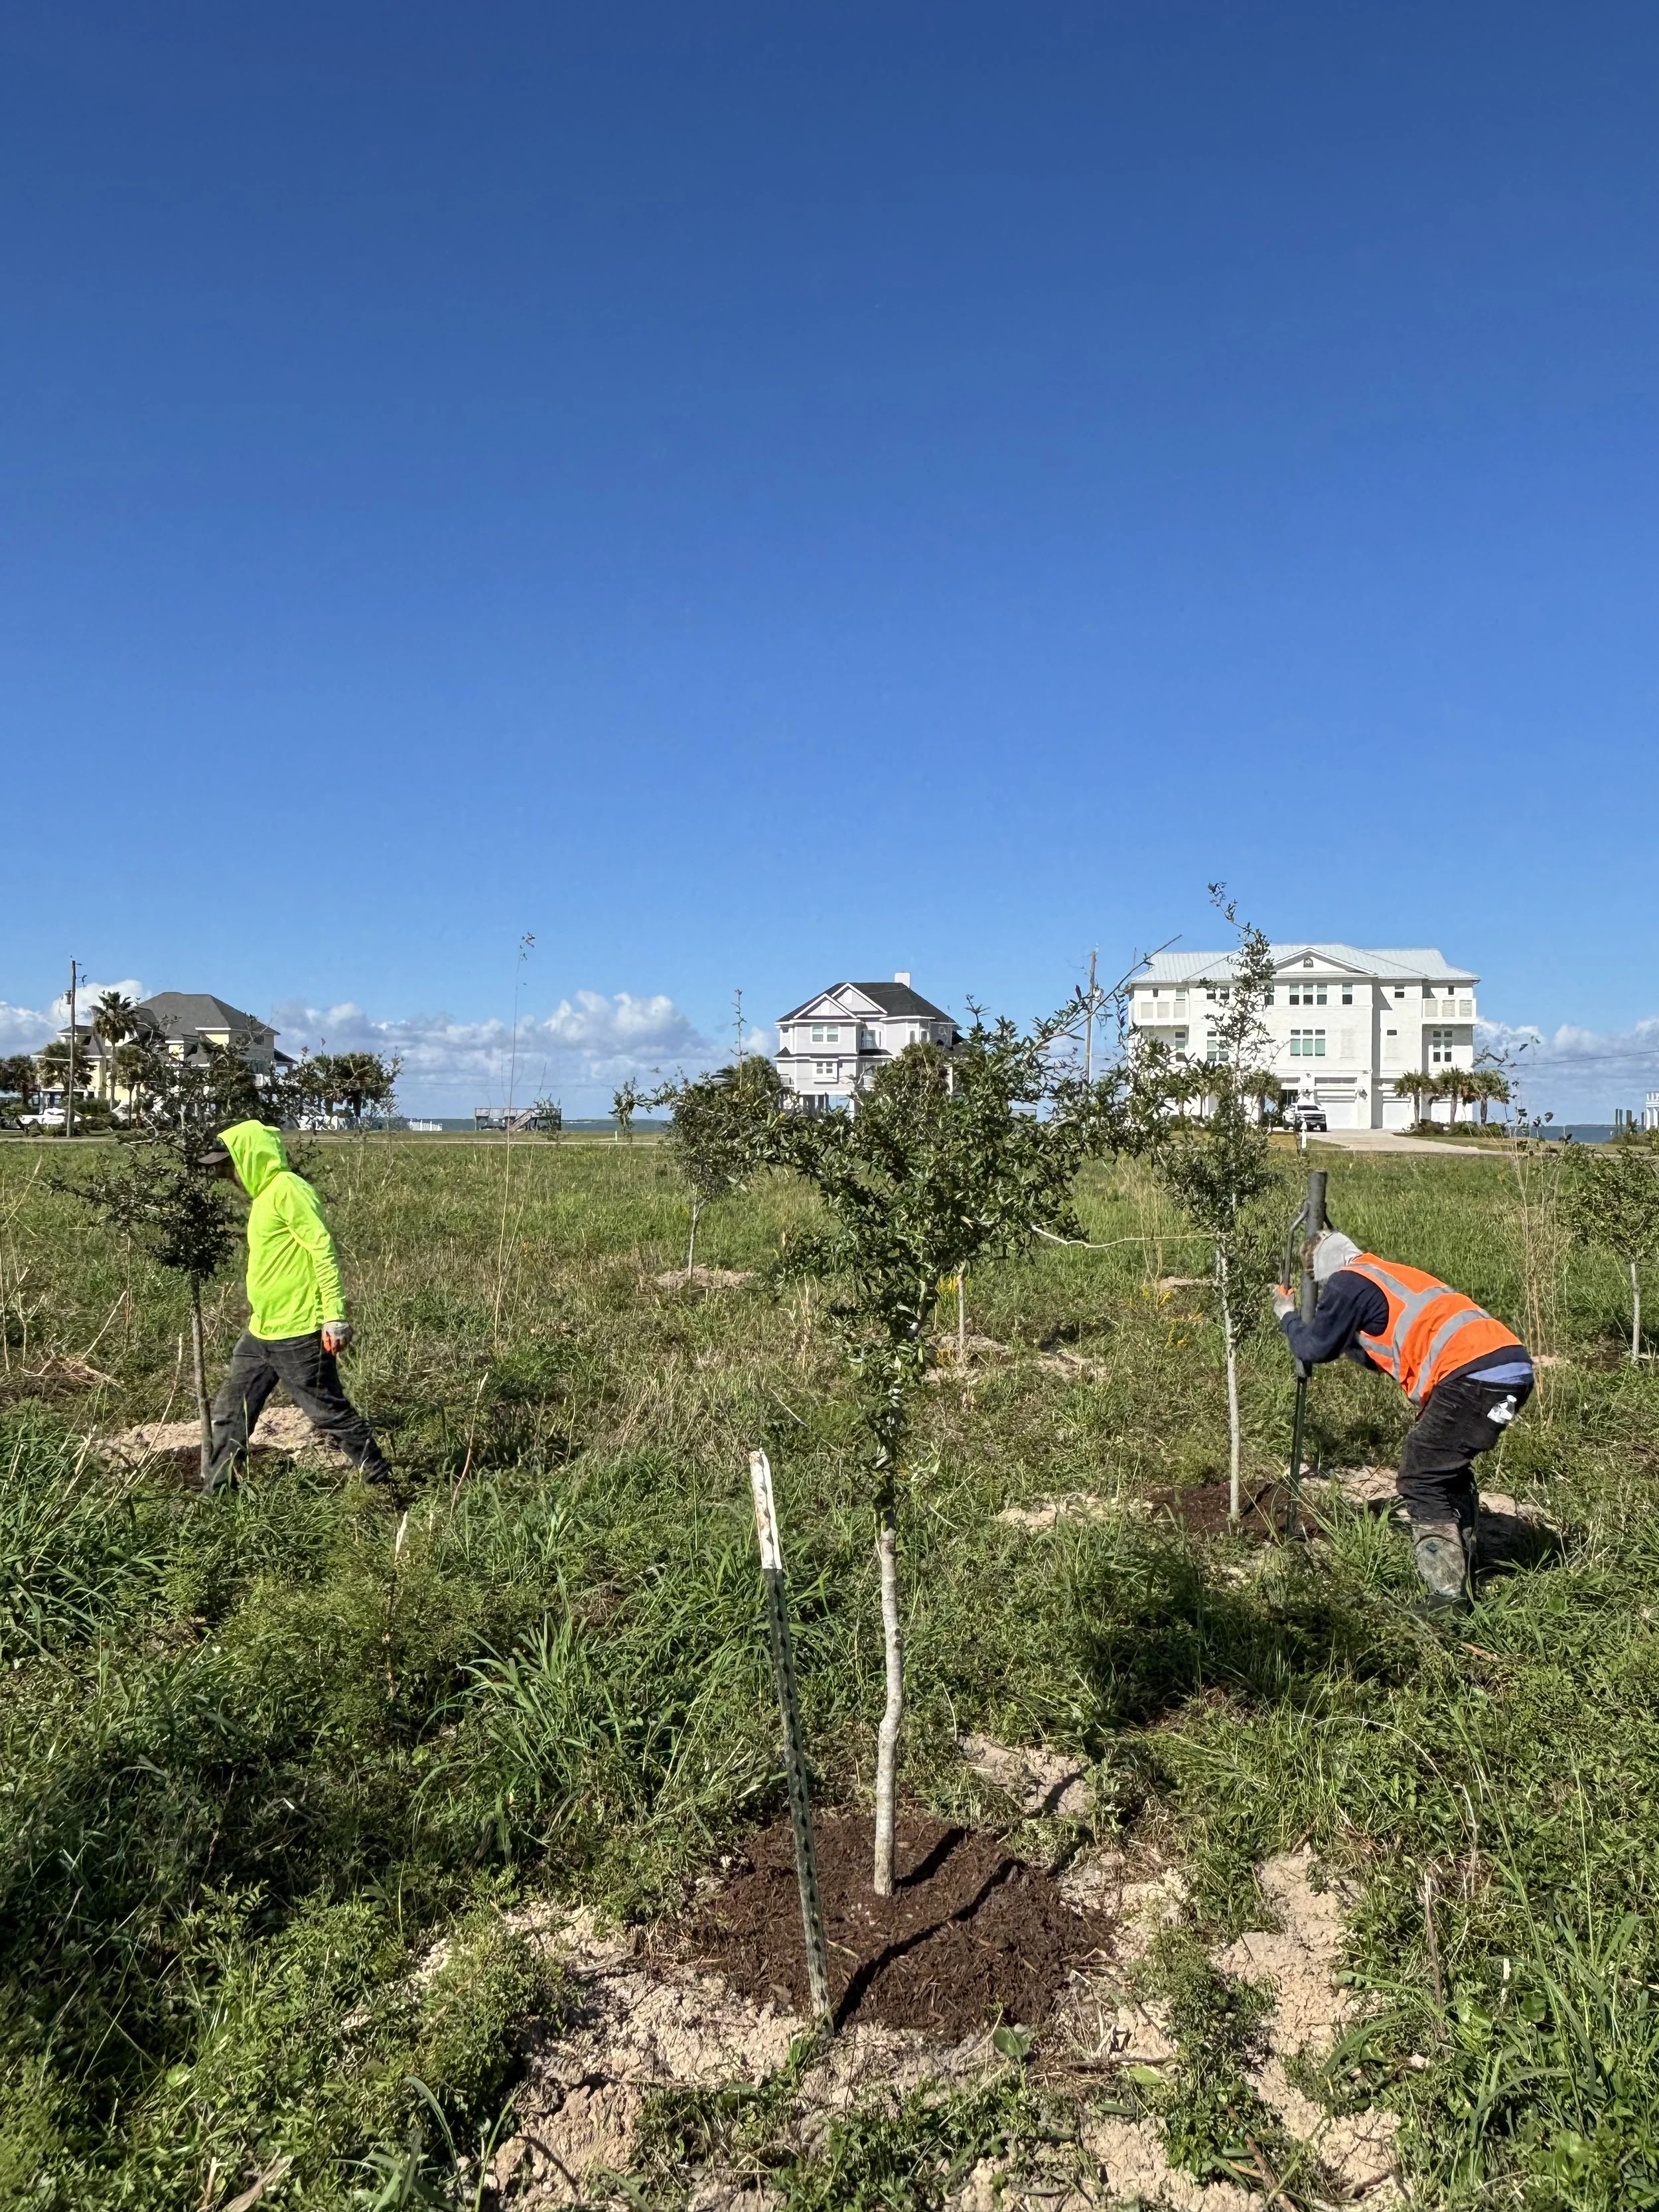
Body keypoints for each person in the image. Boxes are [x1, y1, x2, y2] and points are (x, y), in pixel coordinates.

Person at [1272, 1231, 1533, 1611]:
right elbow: (1373, 1353)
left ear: (1322, 1270)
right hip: (1508, 1369)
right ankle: (1464, 1563)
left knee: (1421, 1476)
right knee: (1445, 1468)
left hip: (1472, 1376)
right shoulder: (1384, 1274)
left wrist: (1287, 1316)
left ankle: (1446, 1600)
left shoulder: (1347, 1282)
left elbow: (1314, 1348)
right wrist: (1345, 1337)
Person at [199, 1119, 393, 1493]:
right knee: (230, 1412)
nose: (229, 1175)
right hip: (262, 1330)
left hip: (299, 1330)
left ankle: (384, 1485)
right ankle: (217, 1495)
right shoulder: (264, 1198)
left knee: (328, 1413)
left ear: (252, 1158)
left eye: (231, 1165)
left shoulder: (288, 1189)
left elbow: (322, 1248)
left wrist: (334, 1315)